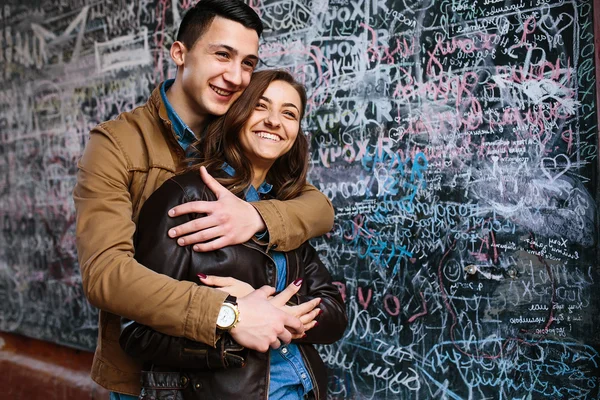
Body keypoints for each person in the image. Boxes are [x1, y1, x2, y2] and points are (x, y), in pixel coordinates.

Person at [73, 1, 334, 397]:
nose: (235, 76)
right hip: (151, 375)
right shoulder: (117, 144)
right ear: (180, 53)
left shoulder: (242, 133)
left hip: (237, 378)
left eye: (248, 63)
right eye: (222, 55)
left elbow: (317, 208)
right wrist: (228, 311)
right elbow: (106, 274)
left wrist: (256, 218)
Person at [120, 69, 347, 400]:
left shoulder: (285, 208)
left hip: (303, 388)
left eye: (289, 113)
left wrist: (267, 308)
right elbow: (136, 332)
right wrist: (231, 324)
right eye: (260, 106)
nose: (274, 121)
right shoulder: (185, 197)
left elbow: (334, 314)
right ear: (236, 113)